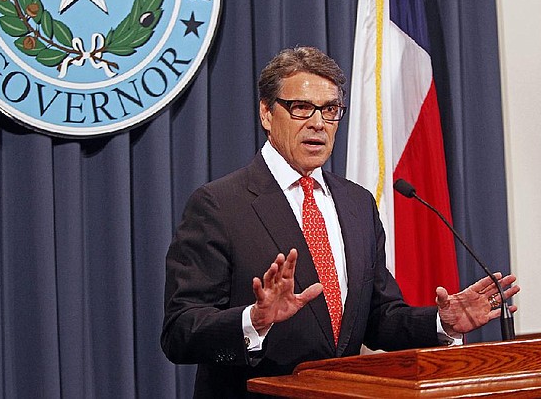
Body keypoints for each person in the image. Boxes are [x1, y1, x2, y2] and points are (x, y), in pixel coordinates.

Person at [160, 46, 519, 398]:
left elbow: (380, 317)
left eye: (330, 110)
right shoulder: (220, 205)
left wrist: (442, 323)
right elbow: (179, 331)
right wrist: (254, 320)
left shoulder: (357, 203)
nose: (318, 122)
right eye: (301, 108)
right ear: (267, 114)